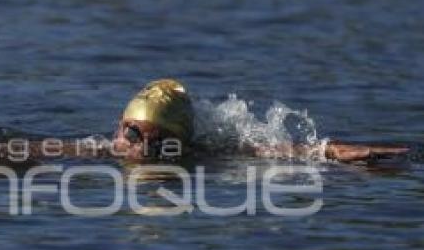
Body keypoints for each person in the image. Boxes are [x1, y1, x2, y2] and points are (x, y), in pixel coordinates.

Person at [111, 79, 409, 163]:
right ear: (120, 128)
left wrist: (331, 150)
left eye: (160, 142)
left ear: (183, 142)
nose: (144, 149)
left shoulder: (201, 153)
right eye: (135, 135)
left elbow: (274, 150)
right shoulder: (98, 150)